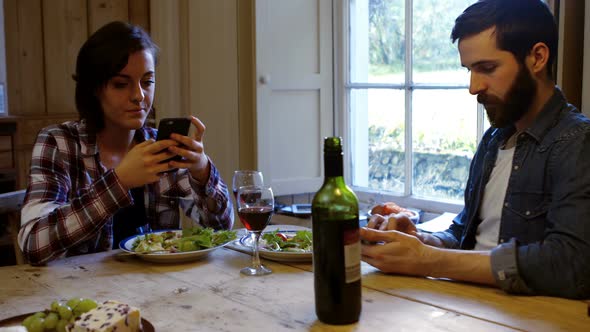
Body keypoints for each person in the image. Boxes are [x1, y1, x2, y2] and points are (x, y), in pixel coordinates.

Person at [361, 0, 590, 299]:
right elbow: (465, 234)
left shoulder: (577, 142)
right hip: (468, 308)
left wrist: (429, 260)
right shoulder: (494, 140)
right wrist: (422, 241)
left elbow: (571, 264)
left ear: (537, 58)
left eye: (487, 68)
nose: (473, 87)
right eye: (469, 70)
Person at [18, 21, 234, 265]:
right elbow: (34, 245)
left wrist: (202, 171)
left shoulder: (159, 145)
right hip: (83, 295)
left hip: (157, 288)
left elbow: (221, 226)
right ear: (93, 89)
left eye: (147, 81)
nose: (139, 96)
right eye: (121, 84)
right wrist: (119, 182)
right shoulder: (59, 143)